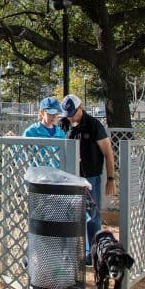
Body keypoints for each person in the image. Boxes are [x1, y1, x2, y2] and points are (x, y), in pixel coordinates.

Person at [60, 94, 116, 265]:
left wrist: (111, 178)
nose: (70, 116)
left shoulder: (93, 125)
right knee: (73, 215)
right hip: (72, 177)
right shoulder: (65, 125)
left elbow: (108, 153)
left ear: (80, 108)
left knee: (93, 216)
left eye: (72, 113)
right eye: (67, 113)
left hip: (91, 178)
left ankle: (93, 253)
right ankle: (76, 251)